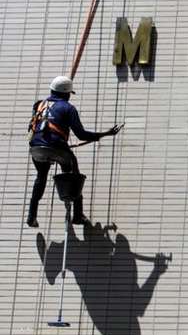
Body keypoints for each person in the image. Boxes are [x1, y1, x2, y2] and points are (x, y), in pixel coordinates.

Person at [26, 76, 122, 228]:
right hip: (58, 148)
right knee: (73, 175)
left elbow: (32, 127)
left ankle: (31, 215)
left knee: (41, 177)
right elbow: (81, 135)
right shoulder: (68, 108)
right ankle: (77, 215)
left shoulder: (39, 104)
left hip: (36, 148)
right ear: (67, 93)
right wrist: (104, 134)